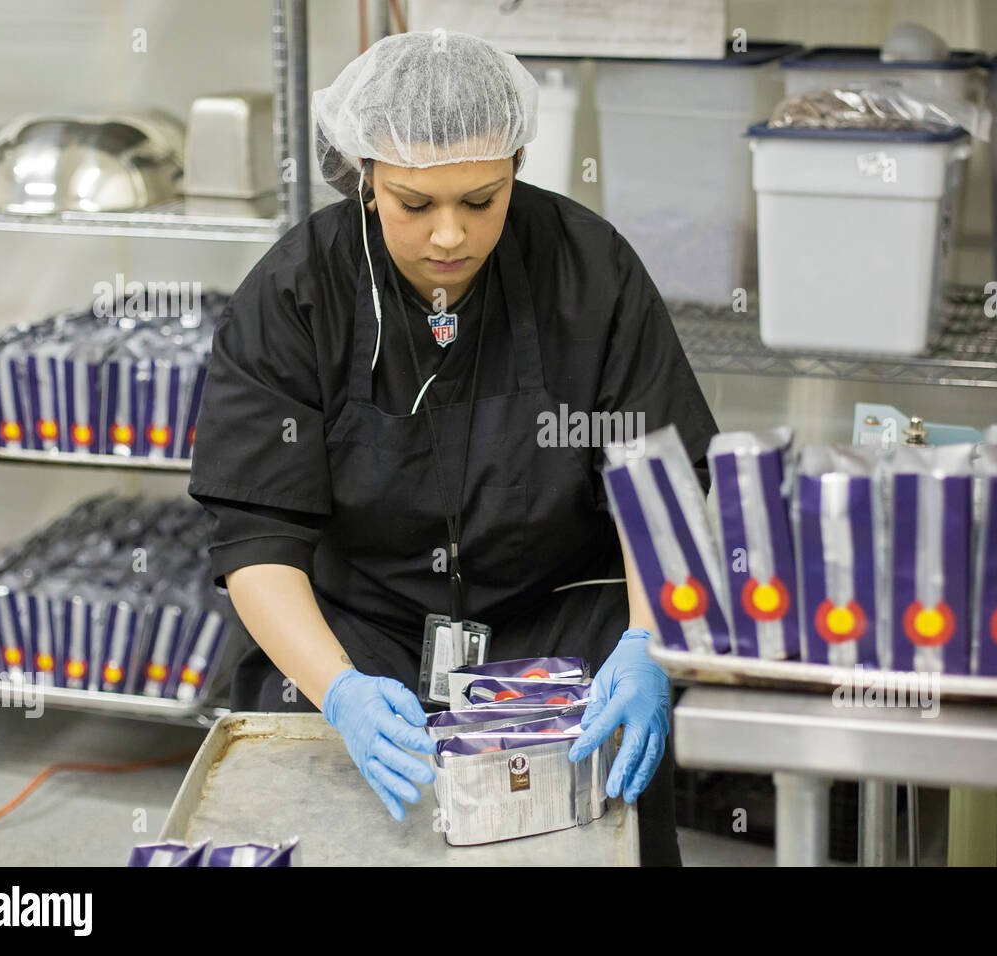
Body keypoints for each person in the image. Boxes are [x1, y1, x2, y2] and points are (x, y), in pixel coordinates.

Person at [187, 29, 718, 866]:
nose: (448, 236)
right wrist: (341, 690)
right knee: (338, 828)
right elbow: (254, 534)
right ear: (364, 177)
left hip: (556, 611)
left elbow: (661, 478)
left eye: (481, 200)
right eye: (413, 203)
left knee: (585, 837)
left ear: (515, 164)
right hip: (362, 625)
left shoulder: (590, 269)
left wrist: (648, 641)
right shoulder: (296, 292)